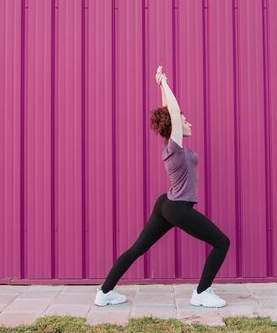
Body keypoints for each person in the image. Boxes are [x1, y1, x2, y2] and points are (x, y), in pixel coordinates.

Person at [93, 66, 231, 308]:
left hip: (166, 205)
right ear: (176, 126)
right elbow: (174, 112)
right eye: (184, 121)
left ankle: (104, 292)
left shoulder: (173, 146)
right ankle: (202, 292)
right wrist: (166, 85)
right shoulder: (175, 148)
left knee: (137, 248)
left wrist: (161, 84)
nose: (188, 123)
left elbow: (170, 112)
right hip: (177, 208)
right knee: (222, 242)